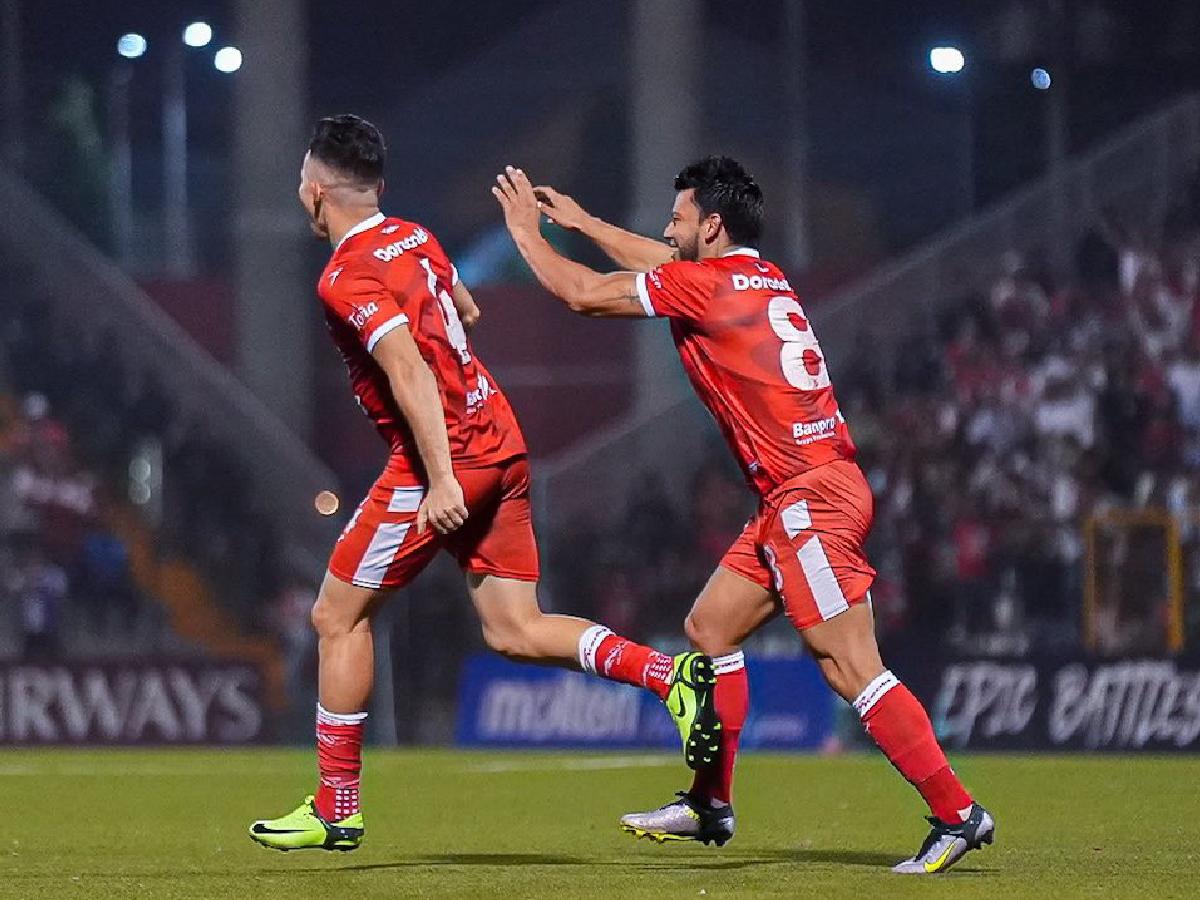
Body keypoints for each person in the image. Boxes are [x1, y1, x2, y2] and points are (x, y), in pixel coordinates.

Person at [492, 157, 995, 874]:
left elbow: (583, 295)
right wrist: (582, 223)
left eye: (679, 217)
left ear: (713, 225)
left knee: (851, 666)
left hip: (809, 498)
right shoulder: (759, 277)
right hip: (797, 494)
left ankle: (958, 813)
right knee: (710, 627)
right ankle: (710, 804)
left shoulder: (711, 288)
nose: (669, 229)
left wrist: (527, 234)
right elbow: (665, 263)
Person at [248, 116, 721, 853]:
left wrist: (438, 478)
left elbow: (406, 368)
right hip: (499, 438)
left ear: (315, 194)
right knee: (514, 630)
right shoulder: (414, 235)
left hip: (442, 461)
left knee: (335, 616)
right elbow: (463, 307)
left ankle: (336, 806)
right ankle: (669, 676)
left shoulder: (344, 275)